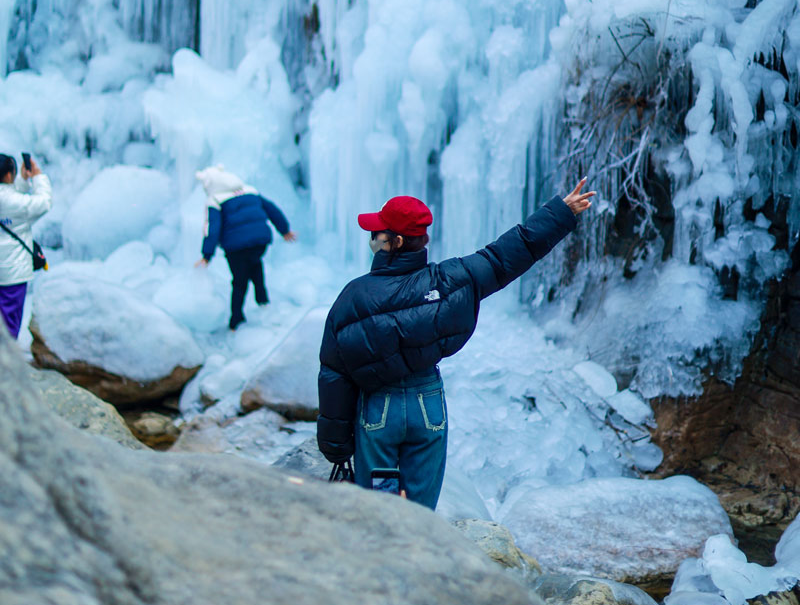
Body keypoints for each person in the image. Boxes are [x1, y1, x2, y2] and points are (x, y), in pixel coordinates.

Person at [316, 178, 594, 509]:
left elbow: (334, 373)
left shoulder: (354, 296)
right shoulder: (451, 280)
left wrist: (335, 445)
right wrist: (560, 213)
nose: (372, 238)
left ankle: (383, 557)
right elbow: (509, 253)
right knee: (420, 510)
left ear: (395, 241)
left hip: (379, 410)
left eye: (376, 233)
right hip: (428, 404)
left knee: (380, 512)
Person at [195, 165, 296, 329]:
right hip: (260, 241)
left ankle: (236, 319)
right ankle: (263, 302)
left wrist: (207, 255)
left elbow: (212, 228)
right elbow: (272, 209)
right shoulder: (250, 190)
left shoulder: (215, 200)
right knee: (255, 264)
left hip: (236, 247)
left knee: (239, 281)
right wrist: (284, 230)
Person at [0, 153, 52, 340]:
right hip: (12, 273)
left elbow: (9, 198)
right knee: (9, 323)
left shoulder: (11, 200)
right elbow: (43, 203)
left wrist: (22, 180)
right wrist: (38, 176)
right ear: (8, 176)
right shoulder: (15, 204)